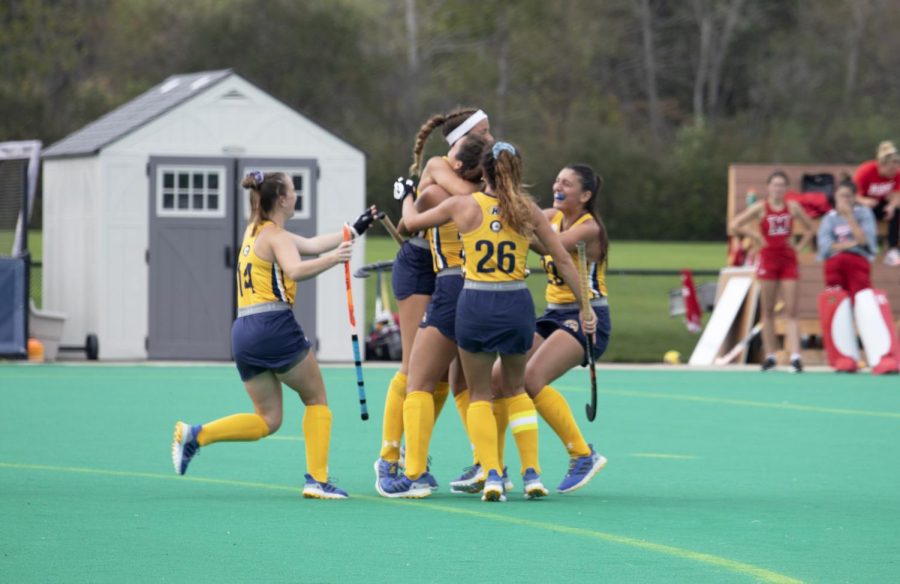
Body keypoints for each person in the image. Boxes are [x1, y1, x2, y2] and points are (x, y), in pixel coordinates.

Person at [380, 141, 595, 501]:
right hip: (516, 303)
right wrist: (585, 307)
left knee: (475, 392)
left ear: (484, 172)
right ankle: (531, 473)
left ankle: (490, 472)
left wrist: (405, 194)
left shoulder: (462, 205)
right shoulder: (526, 210)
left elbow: (409, 225)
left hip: (474, 301)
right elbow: (560, 257)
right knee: (515, 390)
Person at [171, 170, 378, 499]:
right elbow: (296, 268)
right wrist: (334, 259)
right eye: (293, 191)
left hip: (242, 331)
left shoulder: (256, 231)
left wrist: (353, 230)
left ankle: (197, 435)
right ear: (281, 199)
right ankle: (317, 480)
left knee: (268, 419)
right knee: (316, 399)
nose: (297, 195)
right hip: (273, 326)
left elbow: (308, 245)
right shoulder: (277, 237)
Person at [375, 108, 493, 487]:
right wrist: (498, 184)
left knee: (452, 375)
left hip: (454, 272)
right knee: (415, 367)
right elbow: (469, 198)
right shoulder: (442, 167)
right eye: (483, 132)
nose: (489, 139)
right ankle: (390, 458)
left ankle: (479, 461)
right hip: (421, 266)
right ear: (461, 140)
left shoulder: (472, 170)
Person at [488, 164, 610, 496]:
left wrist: (508, 225)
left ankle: (582, 454)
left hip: (587, 317)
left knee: (530, 379)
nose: (558, 186)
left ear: (585, 196)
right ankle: (493, 468)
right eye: (556, 179)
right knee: (498, 379)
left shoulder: (589, 228)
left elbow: (549, 245)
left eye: (567, 184)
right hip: (553, 314)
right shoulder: (548, 215)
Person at [729, 170, 815, 373]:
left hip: (787, 260)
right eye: (775, 185)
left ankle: (795, 355)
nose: (778, 189)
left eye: (782, 185)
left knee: (791, 308)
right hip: (768, 259)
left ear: (786, 188)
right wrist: (755, 235)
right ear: (769, 187)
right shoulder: (761, 208)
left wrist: (799, 245)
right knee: (767, 310)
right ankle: (771, 355)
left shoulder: (792, 207)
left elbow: (810, 228)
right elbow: (734, 225)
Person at [817, 176, 878, 297]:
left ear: (854, 197)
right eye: (841, 195)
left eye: (848, 196)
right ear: (835, 196)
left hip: (858, 259)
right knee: (836, 298)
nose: (844, 199)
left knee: (861, 296)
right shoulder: (828, 218)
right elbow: (826, 246)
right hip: (835, 261)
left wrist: (849, 216)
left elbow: (864, 241)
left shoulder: (864, 213)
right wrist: (852, 244)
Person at [853, 141, 900, 266]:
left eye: (895, 168)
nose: (893, 172)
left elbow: (897, 194)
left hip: (881, 205)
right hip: (864, 206)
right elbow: (851, 195)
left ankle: (892, 250)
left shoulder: (897, 174)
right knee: (865, 212)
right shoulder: (866, 171)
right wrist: (864, 200)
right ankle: (868, 248)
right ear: (881, 165)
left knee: (896, 211)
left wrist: (892, 206)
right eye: (890, 169)